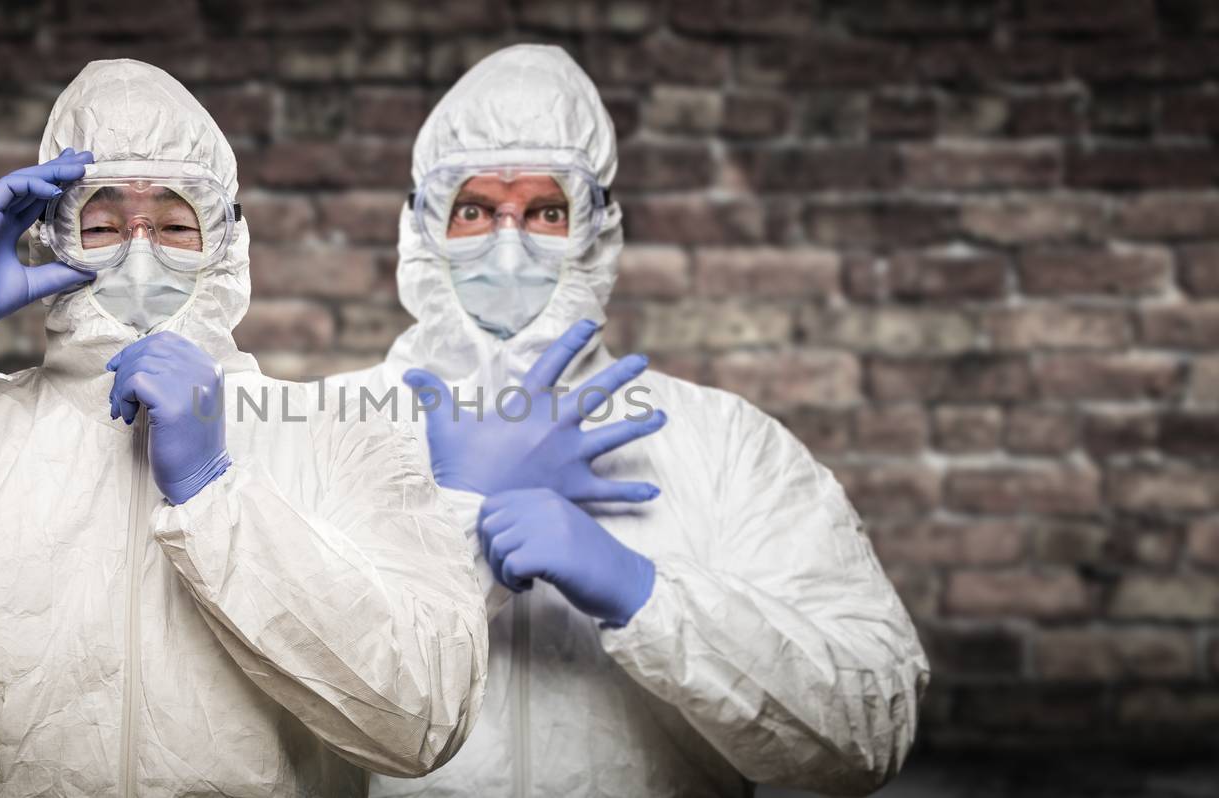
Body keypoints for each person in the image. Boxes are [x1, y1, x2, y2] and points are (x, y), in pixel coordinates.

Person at [0, 59, 486, 796]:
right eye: (101, 227)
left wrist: (217, 498)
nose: (140, 258)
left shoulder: (335, 434)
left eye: (176, 227)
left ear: (230, 242)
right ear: (48, 240)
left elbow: (423, 717)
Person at [324, 45, 929, 797]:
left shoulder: (723, 445)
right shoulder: (325, 431)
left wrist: (646, 594)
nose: (507, 245)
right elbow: (272, 699)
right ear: (421, 228)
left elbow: (871, 730)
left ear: (598, 233)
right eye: (474, 209)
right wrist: (454, 529)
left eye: (546, 211)